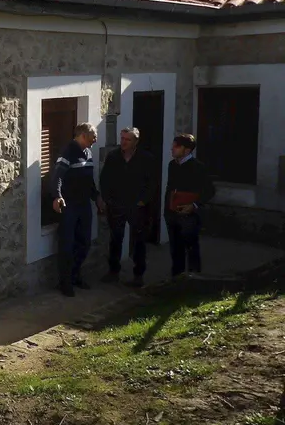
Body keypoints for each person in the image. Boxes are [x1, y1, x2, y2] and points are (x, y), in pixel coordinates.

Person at [99, 127, 157, 288]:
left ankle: (138, 275)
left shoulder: (146, 158)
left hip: (137, 206)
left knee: (139, 240)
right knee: (115, 239)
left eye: (128, 139)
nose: (124, 142)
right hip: (116, 204)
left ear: (136, 141)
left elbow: (152, 183)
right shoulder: (113, 157)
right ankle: (113, 271)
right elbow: (105, 179)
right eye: (122, 138)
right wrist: (107, 199)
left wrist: (143, 200)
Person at [51, 122, 102, 297]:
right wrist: (57, 196)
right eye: (93, 137)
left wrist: (96, 196)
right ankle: (65, 282)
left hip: (84, 205)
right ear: (83, 136)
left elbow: (89, 180)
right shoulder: (68, 152)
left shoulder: (88, 153)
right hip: (70, 206)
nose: (95, 140)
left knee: (84, 242)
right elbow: (57, 176)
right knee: (67, 244)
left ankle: (75, 275)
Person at [164, 133, 215, 278]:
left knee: (191, 247)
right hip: (173, 213)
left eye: (176, 146)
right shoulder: (172, 165)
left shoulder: (198, 167)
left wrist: (194, 205)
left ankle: (194, 279)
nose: (172, 149)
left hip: (189, 215)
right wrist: (167, 209)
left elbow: (209, 191)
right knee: (175, 248)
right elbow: (170, 188)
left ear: (186, 150)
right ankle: (176, 278)